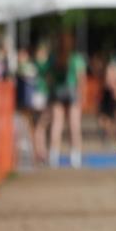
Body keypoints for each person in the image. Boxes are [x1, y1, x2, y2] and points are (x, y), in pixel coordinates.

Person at [46, 31, 87, 169]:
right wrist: (81, 95)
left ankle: (53, 156)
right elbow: (81, 78)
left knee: (56, 124)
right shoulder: (76, 58)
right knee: (74, 125)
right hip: (72, 91)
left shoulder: (53, 57)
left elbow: (49, 77)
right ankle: (75, 157)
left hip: (57, 91)